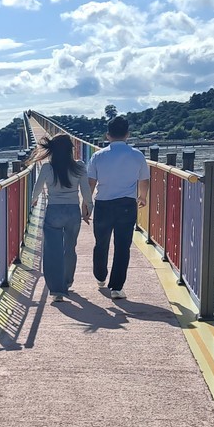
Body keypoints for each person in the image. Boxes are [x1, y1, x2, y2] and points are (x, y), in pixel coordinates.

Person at [87, 115, 150, 299]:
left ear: (108, 136)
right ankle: (116, 287)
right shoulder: (137, 155)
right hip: (126, 204)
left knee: (101, 243)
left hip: (103, 204)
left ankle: (100, 277)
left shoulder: (98, 156)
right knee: (123, 246)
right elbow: (144, 180)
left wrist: (86, 203)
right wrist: (142, 197)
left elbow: (91, 182)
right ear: (128, 134)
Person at [29, 133, 91, 303]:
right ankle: (68, 281)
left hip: (54, 211)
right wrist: (88, 208)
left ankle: (57, 290)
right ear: (71, 149)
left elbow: (37, 189)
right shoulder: (79, 166)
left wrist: (33, 202)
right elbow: (85, 191)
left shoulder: (47, 168)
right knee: (69, 248)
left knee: (52, 252)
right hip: (73, 212)